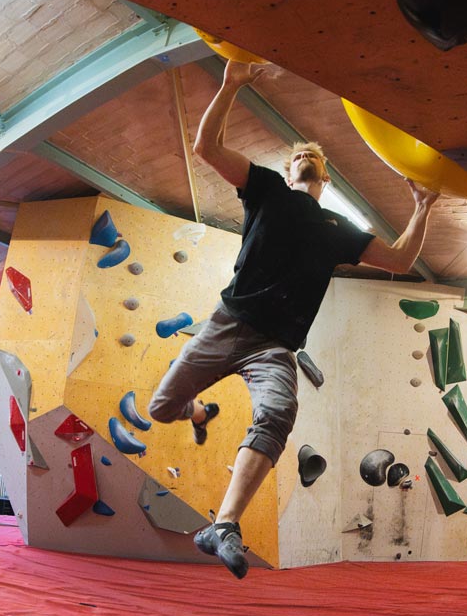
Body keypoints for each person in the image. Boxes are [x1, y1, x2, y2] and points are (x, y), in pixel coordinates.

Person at [148, 58, 439, 578]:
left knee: (278, 416)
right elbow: (206, 148)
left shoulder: (337, 228)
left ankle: (225, 525)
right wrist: (230, 84)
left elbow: (399, 261)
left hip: (274, 346)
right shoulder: (265, 190)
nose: (305, 156)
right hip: (226, 323)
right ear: (288, 171)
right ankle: (199, 414)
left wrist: (424, 207)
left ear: (323, 177)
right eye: (298, 154)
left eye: (314, 158)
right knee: (162, 408)